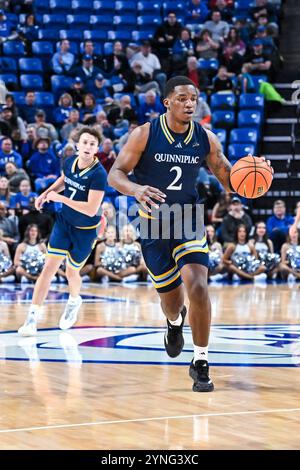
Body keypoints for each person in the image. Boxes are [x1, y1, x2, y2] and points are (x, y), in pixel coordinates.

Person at [107, 76, 237, 392]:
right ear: (167, 102)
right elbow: (115, 174)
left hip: (188, 219)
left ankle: (201, 361)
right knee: (171, 300)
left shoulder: (205, 138)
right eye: (182, 98)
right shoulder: (145, 134)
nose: (189, 103)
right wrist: (135, 188)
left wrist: (254, 179)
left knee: (198, 286)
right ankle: (174, 322)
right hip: (153, 223)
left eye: (193, 98)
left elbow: (229, 180)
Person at [18, 127, 107, 336]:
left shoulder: (99, 174)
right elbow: (63, 181)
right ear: (77, 145)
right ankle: (31, 319)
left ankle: (74, 300)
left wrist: (60, 199)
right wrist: (46, 193)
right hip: (64, 224)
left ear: (97, 149)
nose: (87, 146)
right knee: (48, 269)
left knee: (71, 271)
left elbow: (91, 209)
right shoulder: (69, 161)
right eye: (84, 142)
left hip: (85, 230)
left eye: (92, 144)